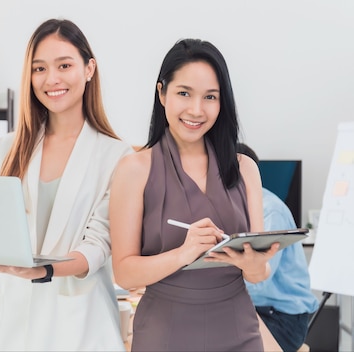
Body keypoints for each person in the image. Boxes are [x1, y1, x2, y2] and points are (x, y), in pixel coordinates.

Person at [0, 18, 133, 351]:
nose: (51, 79)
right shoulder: (7, 149)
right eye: (39, 69)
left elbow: (98, 245)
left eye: (64, 65)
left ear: (89, 68)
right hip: (13, 322)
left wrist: (41, 272)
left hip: (81, 325)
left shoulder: (117, 156)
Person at [109, 38, 280, 351]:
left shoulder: (245, 168)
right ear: (161, 93)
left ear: (222, 102)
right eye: (184, 93)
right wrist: (184, 254)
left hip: (239, 331)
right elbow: (124, 273)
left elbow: (258, 275)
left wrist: (256, 263)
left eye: (210, 97)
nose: (196, 110)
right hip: (164, 334)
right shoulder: (134, 169)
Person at [237, 143, 319, 352]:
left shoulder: (270, 211)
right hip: (257, 308)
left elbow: (258, 283)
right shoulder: (236, 207)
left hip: (282, 317)